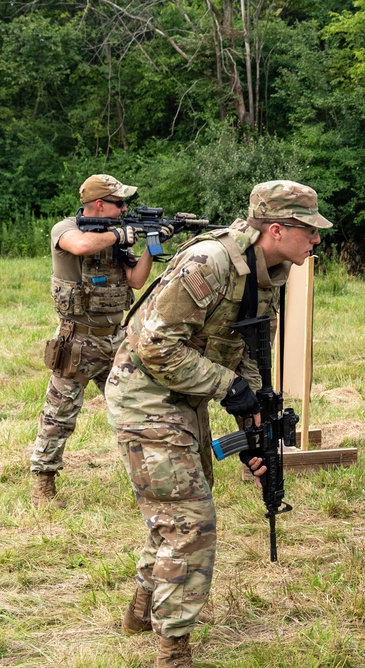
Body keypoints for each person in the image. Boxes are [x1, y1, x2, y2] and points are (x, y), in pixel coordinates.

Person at [104, 180, 330, 668]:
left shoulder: (270, 271)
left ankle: (143, 610)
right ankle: (173, 650)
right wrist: (228, 388)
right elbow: (155, 347)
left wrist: (254, 425)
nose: (315, 241)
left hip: (186, 393)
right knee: (191, 520)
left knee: (179, 505)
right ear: (276, 228)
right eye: (308, 231)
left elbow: (247, 348)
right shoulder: (210, 262)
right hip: (145, 394)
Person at [30, 173, 168, 506]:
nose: (124, 209)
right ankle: (43, 483)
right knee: (60, 414)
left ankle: (151, 479)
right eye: (119, 204)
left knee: (137, 405)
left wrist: (151, 243)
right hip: (77, 340)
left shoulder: (117, 240)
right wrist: (119, 234)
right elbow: (80, 246)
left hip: (116, 340)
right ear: (100, 204)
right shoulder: (65, 229)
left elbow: (136, 280)